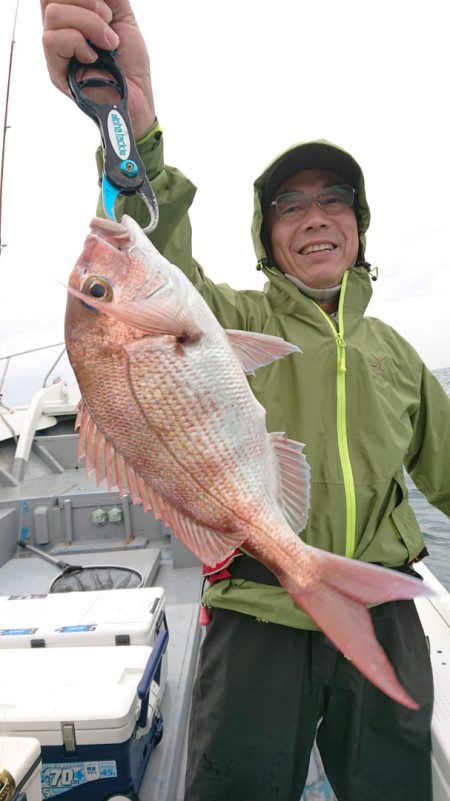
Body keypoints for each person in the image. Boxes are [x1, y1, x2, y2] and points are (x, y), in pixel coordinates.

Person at [40, 3, 450, 800]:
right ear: (267, 237)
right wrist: (132, 129)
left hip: (382, 609)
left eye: (335, 201)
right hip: (256, 610)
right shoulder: (233, 323)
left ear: (360, 228)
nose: (315, 218)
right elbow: (154, 230)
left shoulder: (397, 354)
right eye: (290, 207)